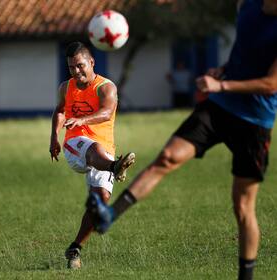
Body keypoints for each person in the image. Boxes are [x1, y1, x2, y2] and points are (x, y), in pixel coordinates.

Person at [86, 1, 277, 279]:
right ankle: (109, 215)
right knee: (167, 158)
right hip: (220, 107)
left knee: (243, 206)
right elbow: (245, 51)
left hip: (255, 122)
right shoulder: (246, 6)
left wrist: (221, 84)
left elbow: (272, 84)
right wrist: (223, 70)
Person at [49, 42, 135, 269]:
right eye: (71, 68)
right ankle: (115, 168)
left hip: (105, 150)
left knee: (100, 204)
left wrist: (82, 119)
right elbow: (59, 110)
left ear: (92, 63)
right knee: (91, 148)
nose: (76, 72)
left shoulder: (106, 87)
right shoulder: (66, 88)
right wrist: (54, 137)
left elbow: (107, 112)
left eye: (80, 66)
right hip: (74, 145)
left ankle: (75, 248)